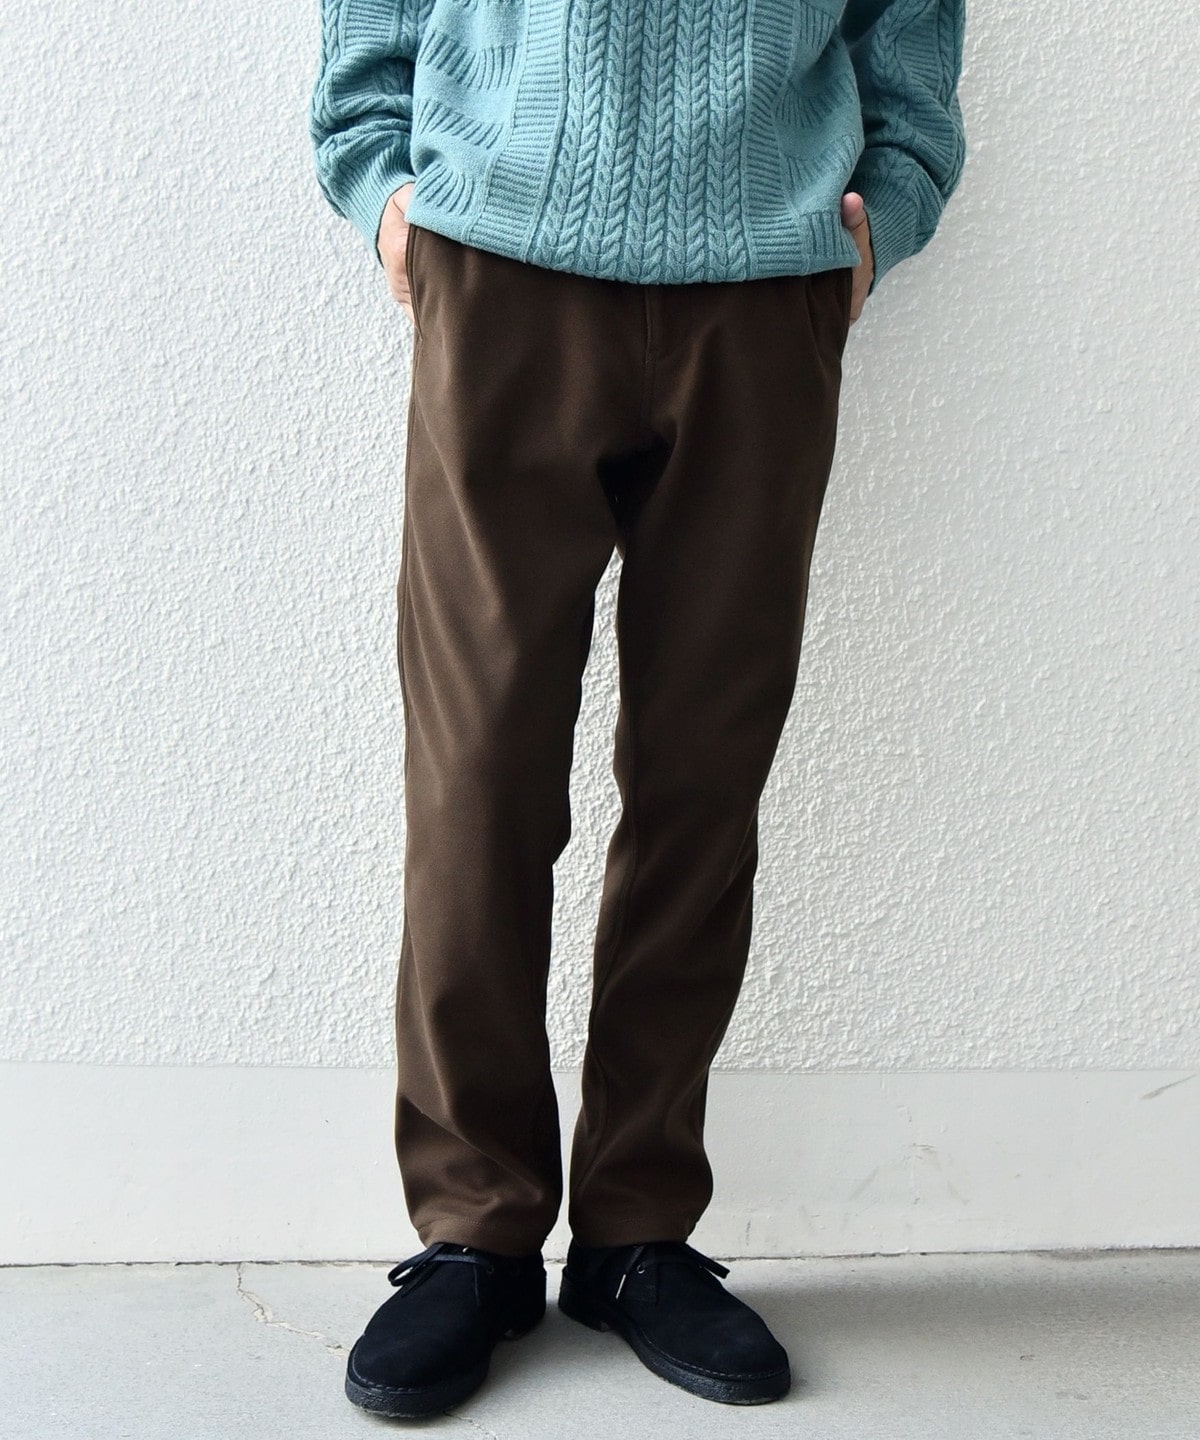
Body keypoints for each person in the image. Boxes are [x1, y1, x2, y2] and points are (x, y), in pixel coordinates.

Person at [309, 0, 967, 1417]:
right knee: (478, 776)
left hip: (767, 287)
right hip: (502, 268)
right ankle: (476, 1229)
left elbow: (910, 28)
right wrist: (381, 182)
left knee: (700, 781)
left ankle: (637, 1228)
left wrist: (886, 212)